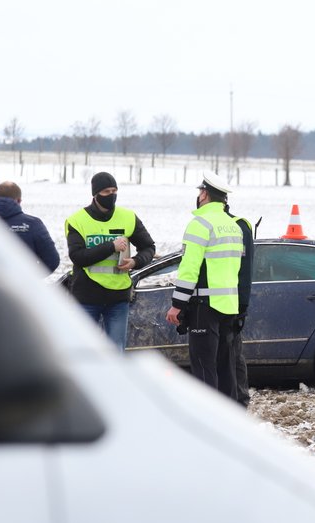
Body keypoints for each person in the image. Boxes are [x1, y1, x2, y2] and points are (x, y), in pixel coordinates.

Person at [166, 171, 243, 401]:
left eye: (200, 191)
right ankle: (229, 415)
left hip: (204, 306)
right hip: (229, 305)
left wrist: (177, 304)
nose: (199, 195)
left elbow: (189, 269)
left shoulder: (199, 224)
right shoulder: (233, 226)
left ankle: (207, 418)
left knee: (203, 367)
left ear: (205, 195)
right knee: (225, 368)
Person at [65, 171, 155, 351]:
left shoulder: (128, 217)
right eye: (106, 192)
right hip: (87, 297)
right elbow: (78, 257)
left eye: (115, 191)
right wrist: (110, 247)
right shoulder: (77, 221)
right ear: (95, 194)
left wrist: (136, 262)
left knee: (116, 352)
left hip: (118, 298)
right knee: (83, 351)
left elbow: (149, 247)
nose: (111, 195)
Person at [0, 181, 60, 273]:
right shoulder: (33, 224)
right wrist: (30, 278)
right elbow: (52, 260)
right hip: (21, 285)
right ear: (19, 201)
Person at [225, 202, 255, 408]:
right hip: (218, 302)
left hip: (231, 303)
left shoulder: (238, 226)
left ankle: (240, 401)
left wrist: (242, 306)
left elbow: (245, 271)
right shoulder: (207, 224)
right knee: (230, 355)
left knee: (233, 355)